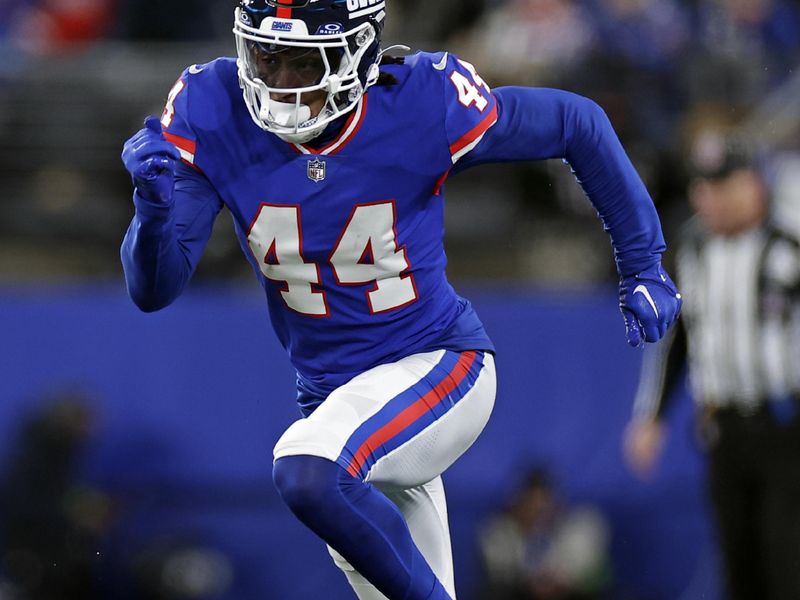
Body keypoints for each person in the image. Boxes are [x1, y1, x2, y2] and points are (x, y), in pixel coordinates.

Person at [119, 2, 681, 598]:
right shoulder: (214, 105)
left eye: (304, 62)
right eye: (268, 56)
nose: (281, 84)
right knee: (327, 477)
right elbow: (154, 289)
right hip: (337, 405)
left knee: (307, 469)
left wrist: (642, 262)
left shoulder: (417, 100)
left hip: (437, 365)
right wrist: (152, 211)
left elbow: (577, 122)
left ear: (358, 50)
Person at [624, 129, 800, 600]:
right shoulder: (691, 250)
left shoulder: (788, 247)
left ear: (753, 185)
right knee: (739, 563)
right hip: (722, 429)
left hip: (787, 426)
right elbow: (678, 339)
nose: (709, 197)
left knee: (786, 560)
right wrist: (652, 417)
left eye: (722, 185)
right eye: (703, 185)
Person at [477, 468, 611, 600]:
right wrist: (531, 581)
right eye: (531, 505)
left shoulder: (579, 525)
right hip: (519, 593)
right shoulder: (500, 531)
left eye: (543, 506)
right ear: (518, 504)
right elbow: (500, 573)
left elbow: (589, 572)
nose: (537, 513)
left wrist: (561, 578)